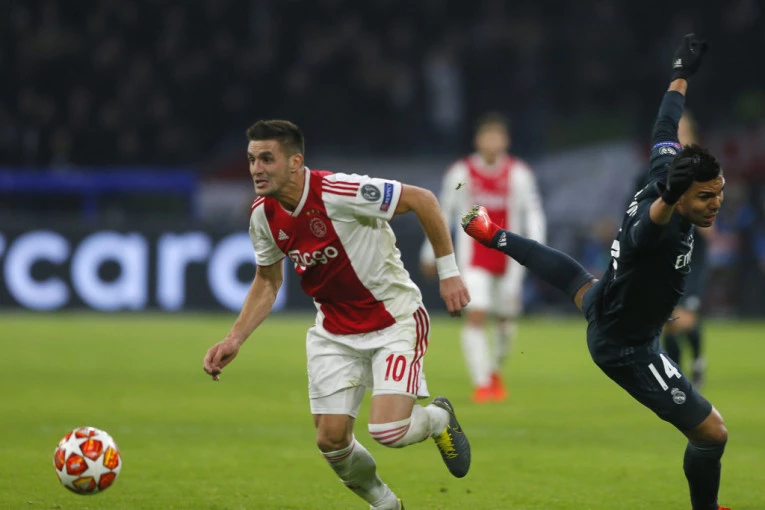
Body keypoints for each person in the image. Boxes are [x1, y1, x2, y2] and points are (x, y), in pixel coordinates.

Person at [461, 34, 729, 509]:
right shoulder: (661, 227)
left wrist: (680, 74)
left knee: (577, 282)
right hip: (628, 347)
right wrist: (669, 201)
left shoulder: (663, 168)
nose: (716, 204)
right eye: (706, 197)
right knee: (712, 433)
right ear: (680, 196)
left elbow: (665, 122)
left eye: (720, 192)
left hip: (609, 302)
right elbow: (646, 231)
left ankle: (494, 234)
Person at [202, 120, 472, 510]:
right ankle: (385, 504)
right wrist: (235, 337)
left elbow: (423, 199)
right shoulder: (262, 215)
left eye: (267, 159)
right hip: (334, 332)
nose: (256, 169)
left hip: (393, 320)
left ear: (295, 162)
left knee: (388, 430)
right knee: (331, 440)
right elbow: (268, 280)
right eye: (251, 160)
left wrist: (449, 274)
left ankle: (438, 419)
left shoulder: (339, 191)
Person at [420, 113, 546, 403]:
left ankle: (493, 371)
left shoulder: (519, 173)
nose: (492, 142)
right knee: (476, 314)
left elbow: (533, 212)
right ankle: (482, 383)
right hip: (473, 257)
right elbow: (443, 213)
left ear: (506, 141)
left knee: (505, 321)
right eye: (487, 136)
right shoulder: (461, 173)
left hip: (510, 258)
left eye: (497, 137)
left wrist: (538, 249)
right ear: (478, 141)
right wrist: (430, 252)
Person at [631, 110, 713, 387]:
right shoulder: (650, 171)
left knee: (684, 318)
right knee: (667, 319)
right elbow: (635, 210)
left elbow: (711, 223)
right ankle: (678, 377)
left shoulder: (704, 171)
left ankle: (697, 360)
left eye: (683, 130)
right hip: (662, 254)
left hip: (692, 255)